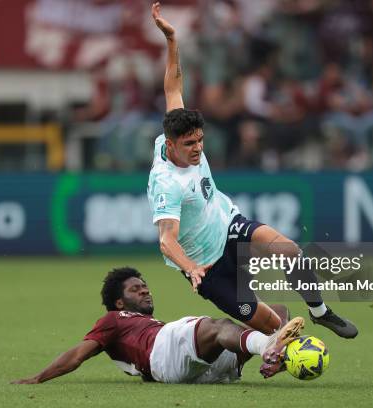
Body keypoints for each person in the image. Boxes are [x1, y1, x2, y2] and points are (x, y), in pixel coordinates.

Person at [146, 3, 357, 338]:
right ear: (171, 146)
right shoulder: (167, 182)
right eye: (190, 145)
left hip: (229, 224)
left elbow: (173, 87)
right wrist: (191, 269)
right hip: (208, 266)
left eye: (200, 140)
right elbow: (166, 240)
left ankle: (320, 311)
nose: (198, 148)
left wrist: (172, 41)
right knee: (276, 329)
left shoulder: (174, 128)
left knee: (290, 251)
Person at [12, 267, 305, 384]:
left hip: (204, 372)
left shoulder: (146, 323)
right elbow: (78, 354)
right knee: (218, 325)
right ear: (119, 303)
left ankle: (275, 352)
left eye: (145, 286)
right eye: (135, 289)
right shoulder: (113, 320)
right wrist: (39, 377)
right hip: (162, 354)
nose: (145, 291)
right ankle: (269, 346)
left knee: (274, 312)